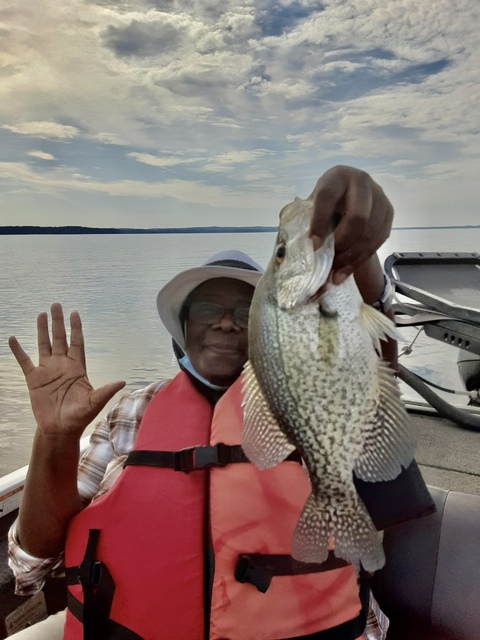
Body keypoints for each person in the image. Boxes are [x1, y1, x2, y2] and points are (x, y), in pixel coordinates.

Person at [7, 166, 431, 639]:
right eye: (208, 309)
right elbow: (30, 564)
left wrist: (358, 250)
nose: (227, 323)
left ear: (269, 327)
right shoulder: (131, 412)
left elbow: (372, 350)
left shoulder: (308, 386)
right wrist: (55, 438)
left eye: (245, 311)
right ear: (182, 333)